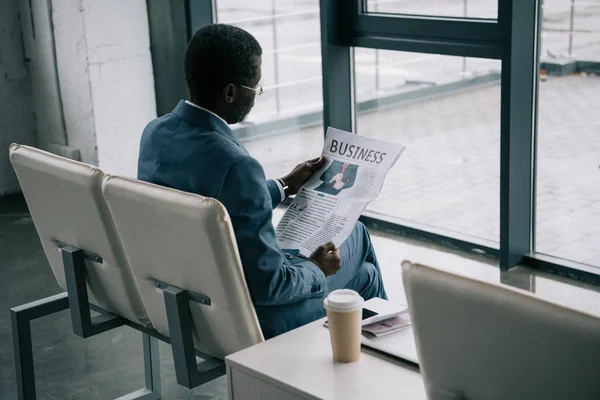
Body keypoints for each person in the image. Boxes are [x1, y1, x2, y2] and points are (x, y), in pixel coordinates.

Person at [137, 24, 387, 339]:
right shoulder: (237, 165)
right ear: (229, 92)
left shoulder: (154, 134)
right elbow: (271, 286)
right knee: (360, 242)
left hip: (189, 303)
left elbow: (214, 202)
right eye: (255, 87)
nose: (256, 95)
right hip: (251, 319)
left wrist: (283, 186)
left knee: (364, 274)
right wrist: (317, 269)